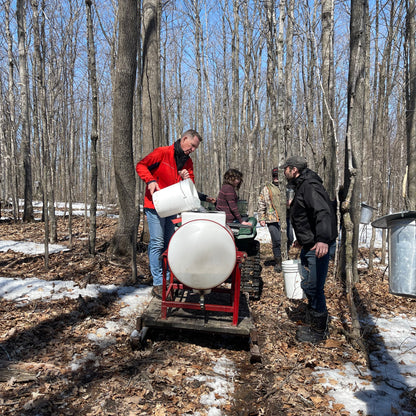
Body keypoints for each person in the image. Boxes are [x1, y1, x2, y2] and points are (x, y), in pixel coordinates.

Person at [136, 129, 208, 299]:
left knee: (170, 243)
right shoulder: (162, 153)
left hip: (172, 206)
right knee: (157, 242)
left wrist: (185, 178)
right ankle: (158, 283)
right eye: (191, 146)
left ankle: (168, 279)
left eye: (195, 148)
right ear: (184, 139)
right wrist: (151, 180)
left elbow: (191, 187)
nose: (192, 150)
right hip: (155, 204)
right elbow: (141, 165)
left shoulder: (187, 163)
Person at [280, 155, 337, 344]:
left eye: (286, 169)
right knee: (309, 285)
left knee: (314, 286)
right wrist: (302, 240)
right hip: (309, 244)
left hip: (318, 246)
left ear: (293, 170)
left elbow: (323, 212)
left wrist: (322, 240)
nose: (284, 172)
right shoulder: (301, 185)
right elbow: (305, 217)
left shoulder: (310, 185)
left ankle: (319, 330)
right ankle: (314, 320)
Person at [257, 167, 283, 272]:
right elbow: (261, 203)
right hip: (272, 218)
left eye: (278, 175)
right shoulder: (266, 188)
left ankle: (285, 257)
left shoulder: (287, 187)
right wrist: (262, 217)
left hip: (286, 218)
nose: (276, 178)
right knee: (276, 240)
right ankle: (278, 262)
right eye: (274, 176)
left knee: (289, 238)